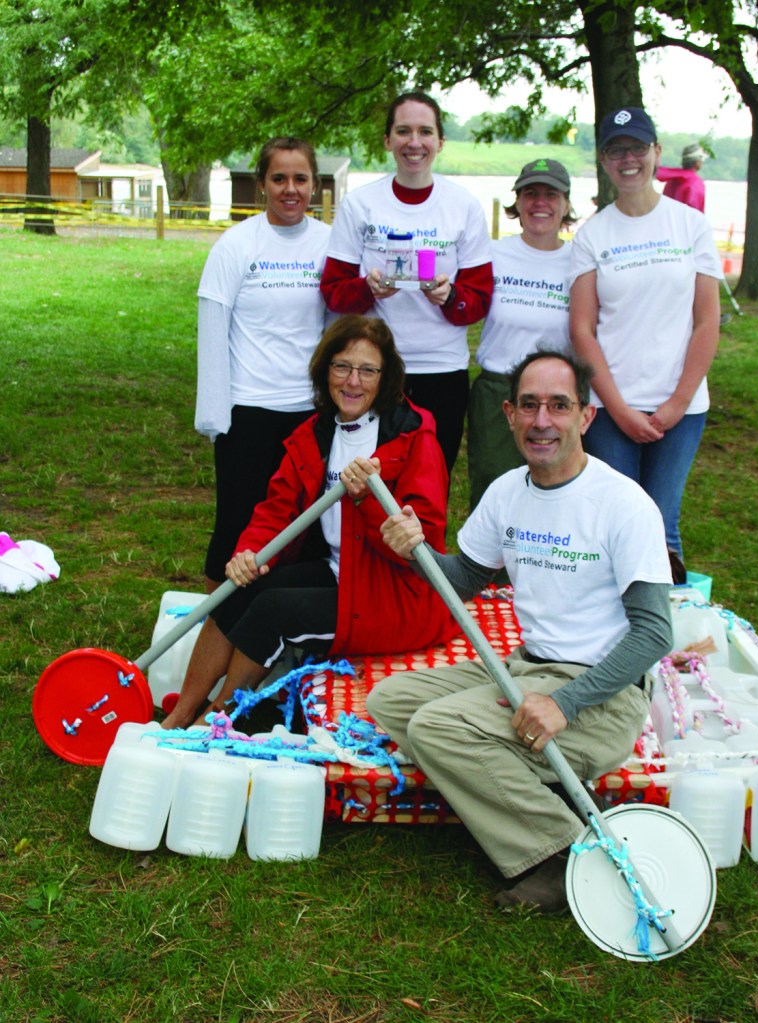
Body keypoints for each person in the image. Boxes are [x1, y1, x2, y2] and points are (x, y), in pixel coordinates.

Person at [367, 350, 673, 912]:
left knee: (438, 729)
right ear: (508, 413)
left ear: (585, 417)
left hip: (601, 697)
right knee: (391, 700)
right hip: (527, 668)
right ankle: (512, 791)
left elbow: (654, 635)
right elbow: (462, 580)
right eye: (529, 405)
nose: (541, 421)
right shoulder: (508, 491)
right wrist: (417, 551)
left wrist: (566, 704)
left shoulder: (622, 504)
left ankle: (562, 857)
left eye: (559, 406)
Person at [162, 315, 457, 730]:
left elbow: (418, 541)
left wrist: (366, 500)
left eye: (367, 370)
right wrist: (249, 552)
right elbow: (276, 509)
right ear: (325, 370)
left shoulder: (413, 437)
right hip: (340, 573)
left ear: (385, 377)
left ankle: (212, 722)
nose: (353, 381)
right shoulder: (315, 433)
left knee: (274, 612)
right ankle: (178, 715)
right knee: (238, 591)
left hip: (394, 593)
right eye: (342, 366)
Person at [570, 107, 722, 565]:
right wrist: (616, 407)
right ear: (603, 160)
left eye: (637, 147)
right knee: (617, 519)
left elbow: (706, 321)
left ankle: (663, 630)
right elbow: (582, 328)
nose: (628, 158)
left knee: (662, 520)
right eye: (616, 150)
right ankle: (609, 626)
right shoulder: (592, 234)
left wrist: (677, 402)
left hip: (683, 408)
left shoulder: (690, 225)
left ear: (656, 152)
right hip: (613, 407)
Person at [320, 92, 494, 473]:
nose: (414, 143)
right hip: (373, 367)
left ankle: (424, 537)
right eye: (403, 131)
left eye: (425, 132)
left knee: (431, 477)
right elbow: (333, 291)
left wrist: (449, 296)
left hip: (441, 371)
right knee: (365, 478)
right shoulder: (361, 204)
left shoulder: (463, 206)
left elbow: (479, 300)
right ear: (387, 140)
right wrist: (368, 289)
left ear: (440, 142)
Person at [196, 137, 331, 592]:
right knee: (238, 522)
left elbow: (341, 324)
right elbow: (212, 328)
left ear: (315, 184)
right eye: (279, 178)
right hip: (248, 411)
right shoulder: (236, 245)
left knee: (304, 528)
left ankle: (279, 626)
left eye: (300, 178)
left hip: (312, 412)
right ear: (261, 184)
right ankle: (212, 623)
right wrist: (216, 416)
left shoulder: (330, 244)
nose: (290, 189)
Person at [467, 158, 576, 510]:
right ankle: (488, 566)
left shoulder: (580, 261)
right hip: (500, 388)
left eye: (550, 194)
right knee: (493, 487)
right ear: (518, 202)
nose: (540, 203)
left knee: (555, 489)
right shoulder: (493, 253)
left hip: (558, 394)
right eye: (530, 193)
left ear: (566, 204)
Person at [656, 143, 707, 213]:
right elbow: (695, 215)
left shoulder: (672, 180)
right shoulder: (695, 182)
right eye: (702, 159)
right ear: (697, 161)